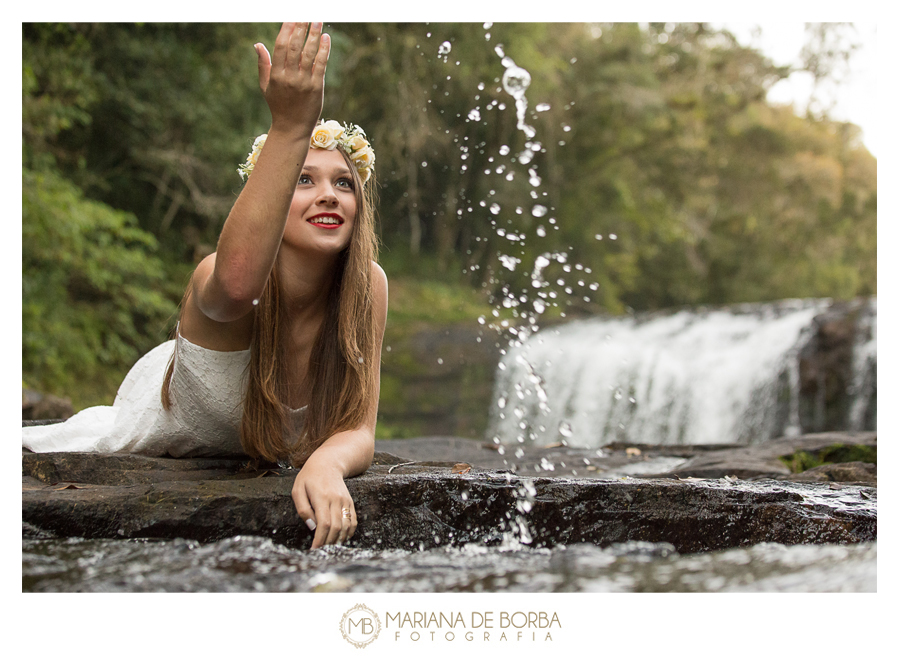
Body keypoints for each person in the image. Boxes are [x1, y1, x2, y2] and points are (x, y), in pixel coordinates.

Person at [22, 22, 388, 550]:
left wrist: (327, 463)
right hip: (155, 417)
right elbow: (237, 287)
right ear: (270, 194)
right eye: (303, 179)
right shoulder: (219, 277)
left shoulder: (367, 289)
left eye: (343, 183)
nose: (329, 195)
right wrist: (289, 126)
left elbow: (360, 429)